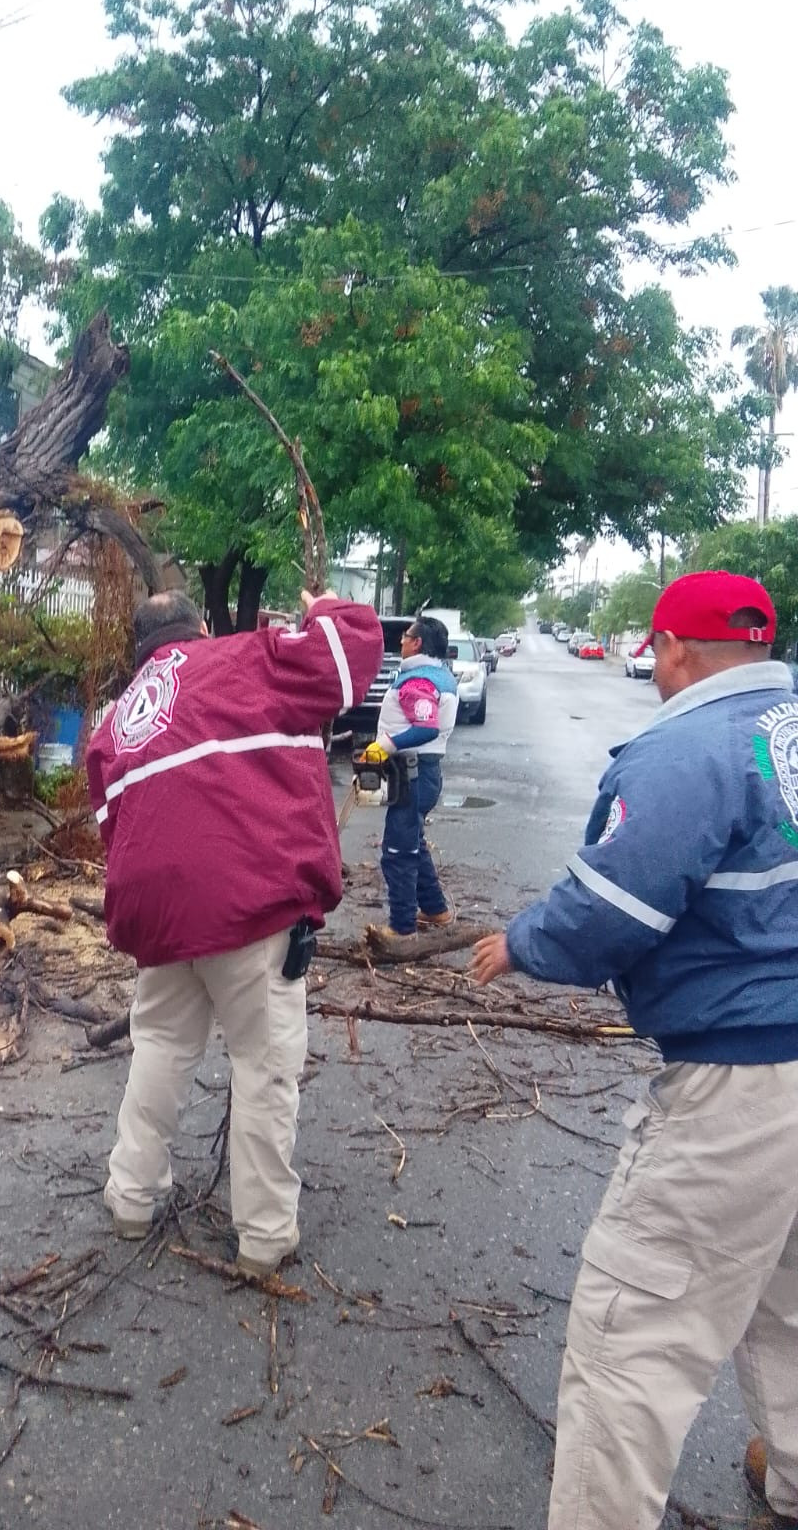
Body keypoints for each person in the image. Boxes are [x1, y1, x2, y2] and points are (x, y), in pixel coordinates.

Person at [469, 569, 798, 1530]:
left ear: (673, 649)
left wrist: (522, 942)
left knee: (635, 1335)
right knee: (786, 1287)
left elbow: (609, 911)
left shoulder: (688, 747)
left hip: (747, 1076)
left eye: (654, 654)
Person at [86, 587, 382, 1274]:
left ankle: (130, 1195)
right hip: (246, 901)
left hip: (155, 911)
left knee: (158, 1043)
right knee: (264, 1065)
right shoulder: (246, 658)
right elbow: (349, 655)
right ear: (200, 629)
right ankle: (265, 1236)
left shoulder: (116, 722)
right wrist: (329, 607)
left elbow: (115, 831)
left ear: (139, 651)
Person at [367, 614, 459, 954]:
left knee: (398, 851)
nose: (401, 641)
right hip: (424, 771)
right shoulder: (438, 675)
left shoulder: (418, 681)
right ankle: (435, 910)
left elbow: (426, 728)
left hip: (413, 772)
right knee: (414, 843)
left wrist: (384, 745)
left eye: (406, 636)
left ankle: (402, 928)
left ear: (417, 643)